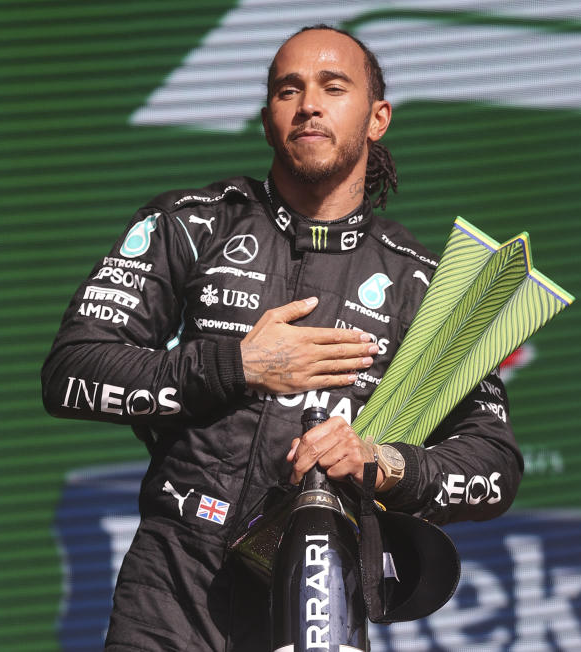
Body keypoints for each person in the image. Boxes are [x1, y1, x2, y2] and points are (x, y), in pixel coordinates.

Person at [42, 24, 522, 652]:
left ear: (377, 118)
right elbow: (70, 373)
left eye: (333, 86)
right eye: (287, 90)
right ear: (269, 117)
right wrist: (233, 365)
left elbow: (495, 464)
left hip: (321, 595)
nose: (309, 104)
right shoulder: (191, 224)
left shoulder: (423, 285)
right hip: (172, 586)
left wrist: (385, 463)